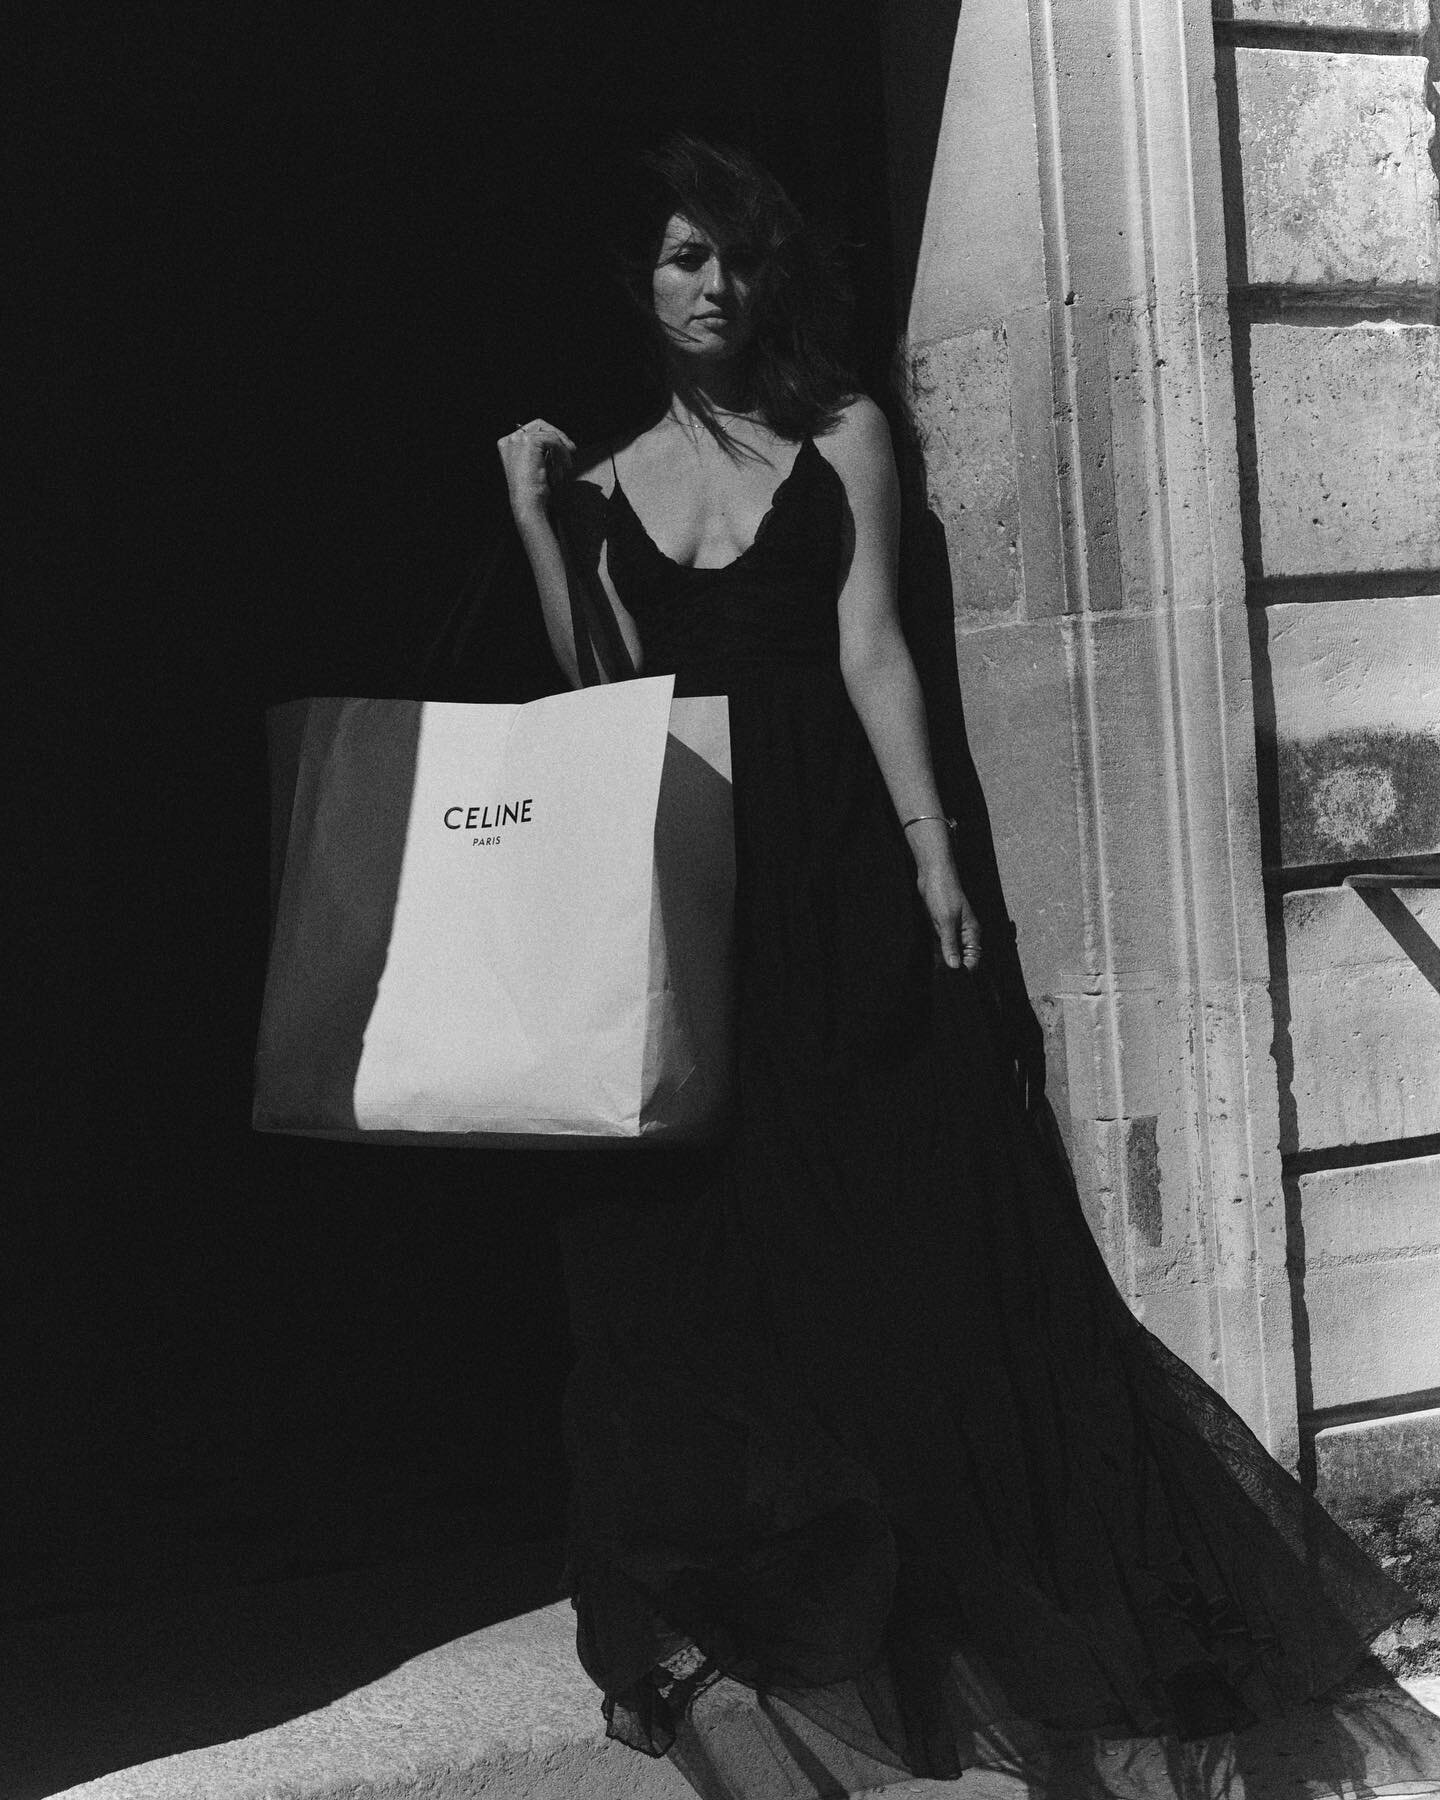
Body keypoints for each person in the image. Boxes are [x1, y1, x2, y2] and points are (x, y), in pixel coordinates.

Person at [495, 135, 1437, 1800]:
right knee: (721, 1270)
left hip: (848, 879)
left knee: (929, 1232)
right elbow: (595, 705)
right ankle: (798, 1608)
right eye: (675, 257)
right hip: (705, 900)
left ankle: (1012, 1609)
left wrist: (937, 860)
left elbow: (871, 649)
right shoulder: (602, 483)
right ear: (633, 283)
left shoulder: (842, 430)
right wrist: (533, 527)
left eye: (730, 257)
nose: (707, 287)